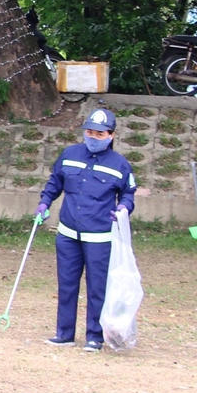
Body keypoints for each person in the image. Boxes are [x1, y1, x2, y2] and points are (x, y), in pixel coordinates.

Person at [37, 108, 137, 351]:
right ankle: (64, 333)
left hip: (100, 237)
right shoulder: (69, 155)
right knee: (67, 283)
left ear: (111, 135)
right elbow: (55, 183)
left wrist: (123, 208)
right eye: (90, 131)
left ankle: (95, 335)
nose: (93, 137)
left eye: (100, 134)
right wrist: (44, 203)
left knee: (97, 287)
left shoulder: (120, 164)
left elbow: (128, 194)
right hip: (68, 234)